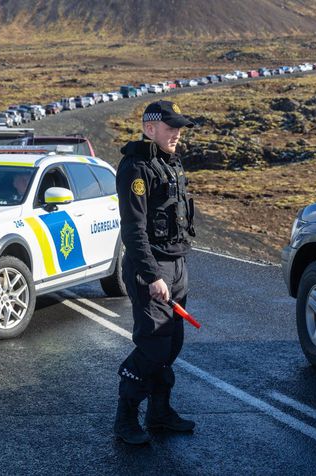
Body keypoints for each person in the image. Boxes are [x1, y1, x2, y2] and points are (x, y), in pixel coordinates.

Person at [113, 100, 196, 445]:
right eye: (170, 127)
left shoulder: (170, 162)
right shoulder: (136, 167)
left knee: (171, 342)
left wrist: (176, 269)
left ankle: (159, 413)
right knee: (153, 346)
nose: (176, 133)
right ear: (150, 128)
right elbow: (133, 230)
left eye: (178, 127)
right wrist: (151, 275)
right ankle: (126, 417)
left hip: (176, 265)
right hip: (153, 268)